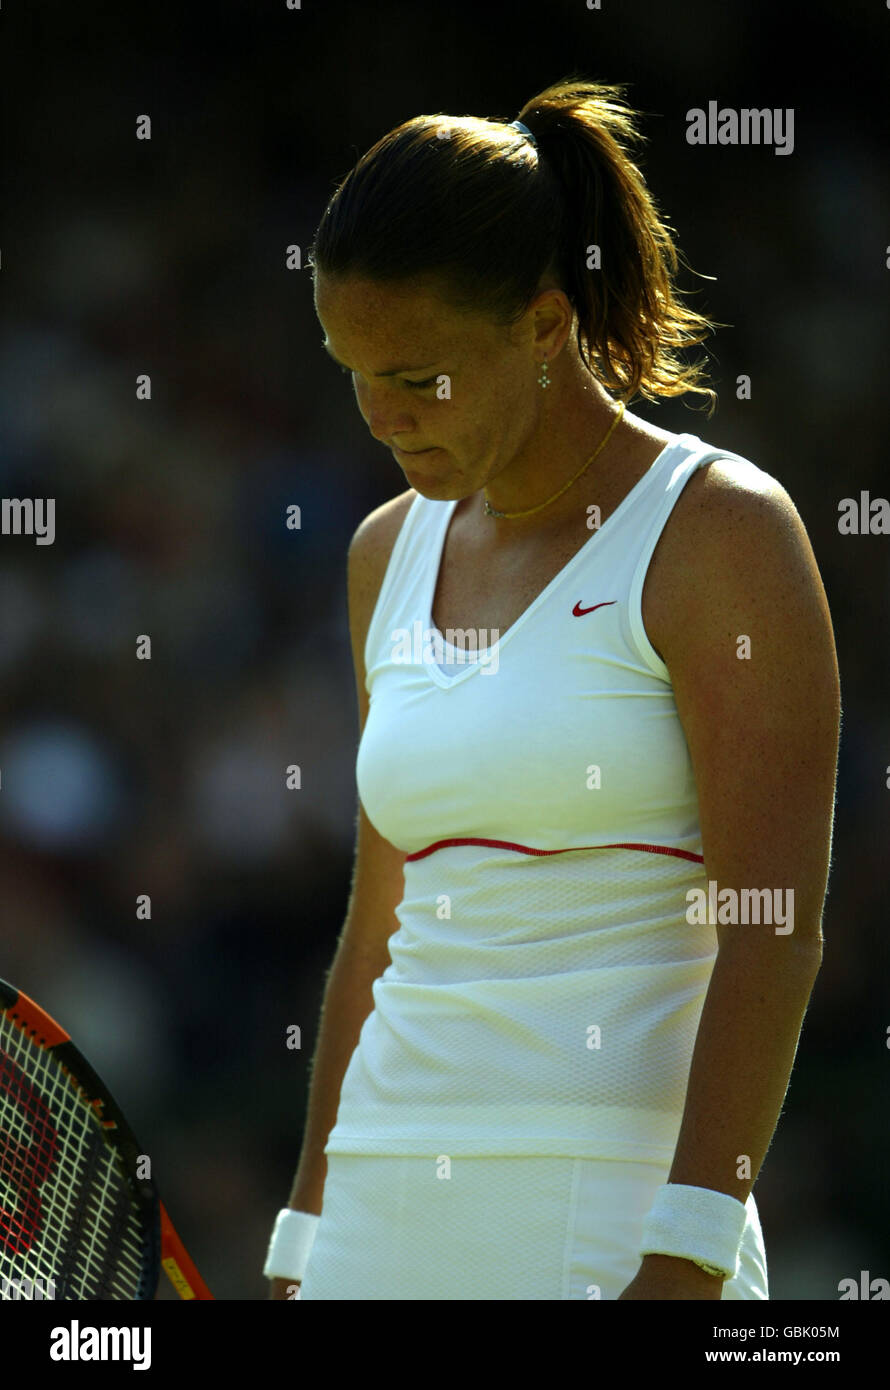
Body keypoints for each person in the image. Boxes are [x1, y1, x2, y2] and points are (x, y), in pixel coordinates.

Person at [265, 79, 840, 1300]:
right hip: (374, 1218)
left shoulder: (720, 535)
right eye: (350, 368)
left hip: (612, 1226)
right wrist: (302, 1239)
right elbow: (379, 929)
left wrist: (683, 1255)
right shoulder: (383, 552)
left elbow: (771, 927)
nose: (377, 415)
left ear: (540, 325)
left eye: (416, 375)